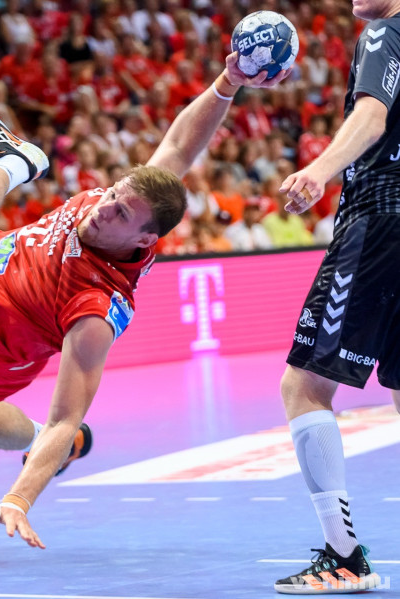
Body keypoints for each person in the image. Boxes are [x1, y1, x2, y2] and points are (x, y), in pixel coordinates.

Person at [0, 56, 287, 550]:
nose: (102, 209)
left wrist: (19, 498)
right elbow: (179, 146)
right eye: (112, 194)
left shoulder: (95, 309)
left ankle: (37, 444)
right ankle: (18, 162)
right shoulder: (129, 201)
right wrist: (228, 81)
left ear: (144, 240)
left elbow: (64, 417)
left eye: (119, 213)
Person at [271, 0, 400, 593]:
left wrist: (318, 171)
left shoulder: (384, 32)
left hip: (380, 221)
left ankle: (344, 558)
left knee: (304, 386)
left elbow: (371, 116)